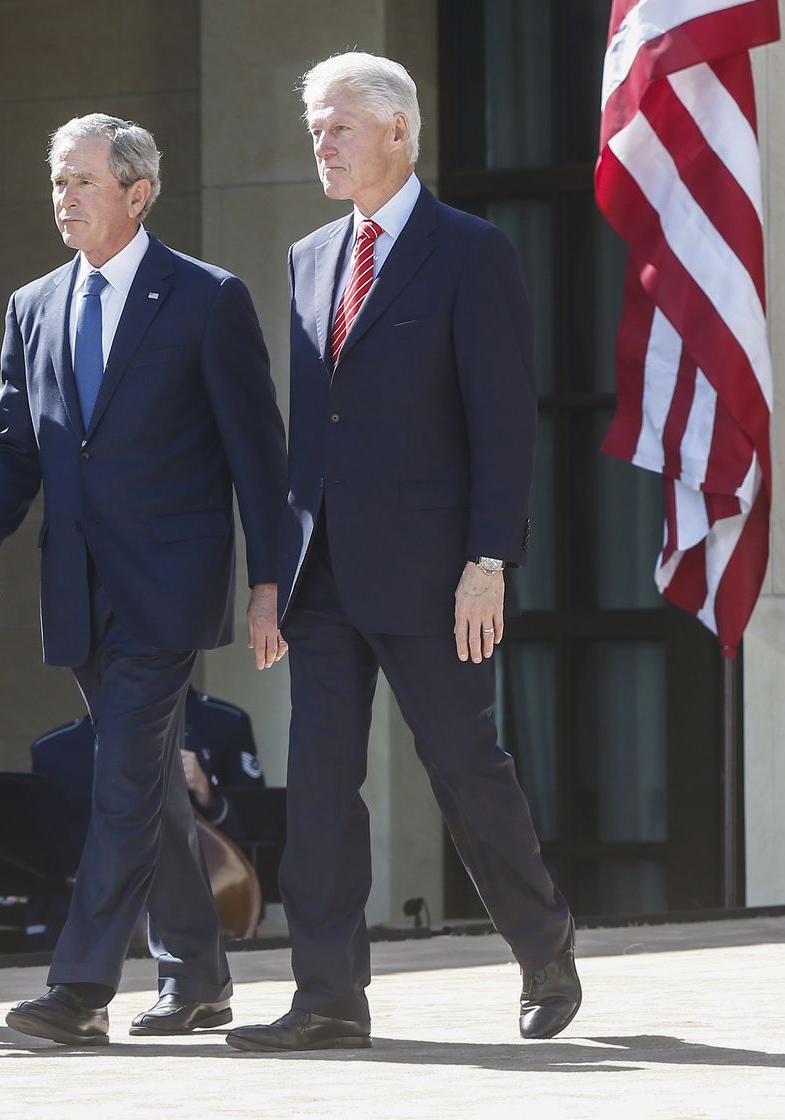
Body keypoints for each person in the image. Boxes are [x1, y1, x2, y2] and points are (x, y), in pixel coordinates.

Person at [226, 53, 580, 1054]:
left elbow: (503, 423)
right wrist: (268, 576)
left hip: (435, 572)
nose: (319, 143)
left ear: (396, 130)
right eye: (311, 127)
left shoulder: (468, 252)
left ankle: (542, 946)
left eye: (337, 125)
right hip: (320, 575)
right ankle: (327, 993)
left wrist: (488, 560)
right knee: (320, 786)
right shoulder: (304, 258)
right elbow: (306, 436)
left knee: (464, 766)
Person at [0, 113, 286, 1045]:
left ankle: (80, 988)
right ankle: (199, 977)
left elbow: (258, 457)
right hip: (79, 589)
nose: (64, 197)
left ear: (138, 195)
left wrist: (271, 582)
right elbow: (15, 448)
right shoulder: (33, 304)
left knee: (118, 779)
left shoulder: (206, 299)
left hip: (170, 586)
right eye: (58, 180)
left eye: (84, 182)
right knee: (144, 782)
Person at [28, 688, 266, 947]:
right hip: (90, 915)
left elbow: (254, 828)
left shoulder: (224, 722)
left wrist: (206, 792)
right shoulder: (53, 750)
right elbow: (46, 853)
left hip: (207, 905)